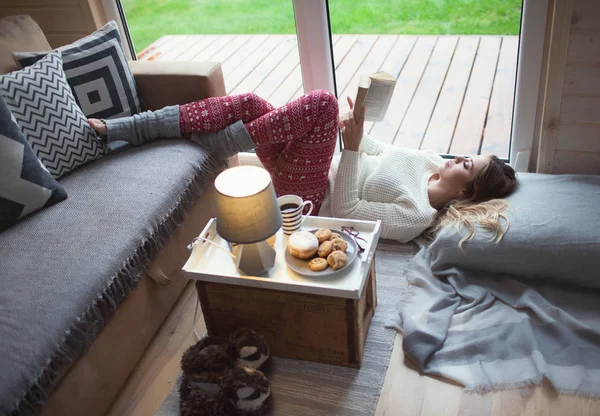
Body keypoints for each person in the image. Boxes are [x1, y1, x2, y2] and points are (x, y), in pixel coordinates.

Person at [89, 90, 517, 243]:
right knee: (252, 105)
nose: (457, 158)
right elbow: (376, 150)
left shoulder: (415, 216)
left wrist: (346, 148)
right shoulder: (427, 160)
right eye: (464, 153)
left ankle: (221, 142)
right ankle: (137, 127)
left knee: (321, 103)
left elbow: (346, 211)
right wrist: (356, 128)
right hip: (312, 166)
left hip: (310, 200)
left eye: (467, 164)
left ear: (466, 192)